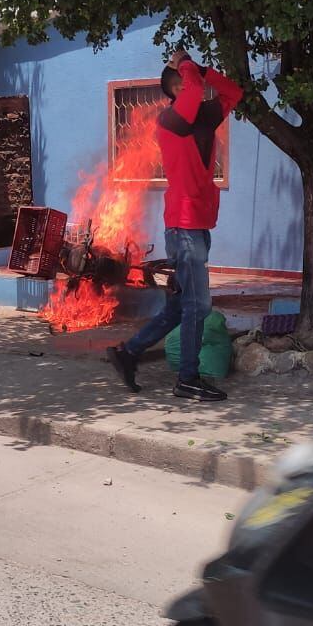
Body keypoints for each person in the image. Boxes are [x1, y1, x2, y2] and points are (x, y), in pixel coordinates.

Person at [109, 48, 243, 403]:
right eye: (186, 82)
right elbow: (196, 91)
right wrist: (185, 62)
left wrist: (202, 67)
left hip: (197, 225)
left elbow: (234, 92)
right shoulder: (171, 121)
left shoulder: (202, 119)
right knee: (198, 306)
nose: (194, 84)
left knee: (179, 306)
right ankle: (187, 379)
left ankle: (128, 352)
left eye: (193, 80)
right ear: (175, 90)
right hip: (183, 226)